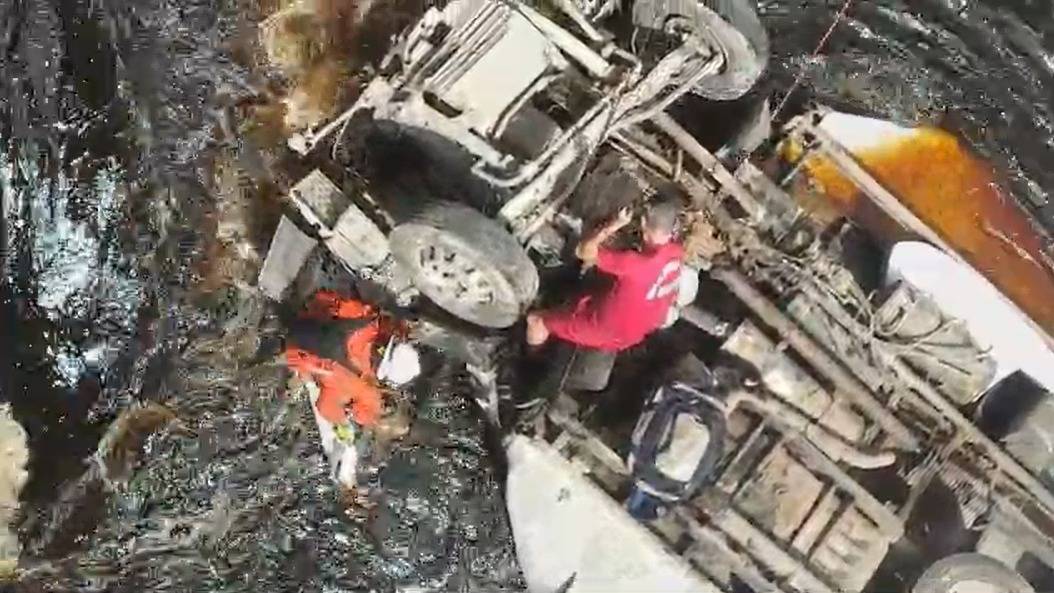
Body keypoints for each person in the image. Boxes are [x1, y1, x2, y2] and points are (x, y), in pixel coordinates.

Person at [526, 200, 685, 352]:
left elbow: (582, 251)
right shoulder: (677, 251)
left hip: (606, 330)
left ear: (643, 223)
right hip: (637, 327)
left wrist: (615, 223)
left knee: (536, 320)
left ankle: (529, 353)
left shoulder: (634, 264)